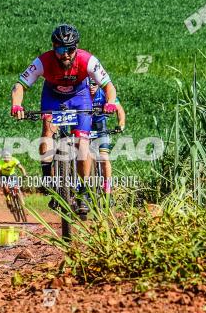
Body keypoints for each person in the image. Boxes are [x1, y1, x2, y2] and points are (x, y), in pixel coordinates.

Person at [10, 24, 118, 214]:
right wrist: (17, 105)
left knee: (82, 142)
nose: (65, 54)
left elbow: (108, 85)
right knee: (47, 129)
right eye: (60, 49)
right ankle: (47, 178)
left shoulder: (88, 60)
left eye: (70, 49)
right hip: (53, 96)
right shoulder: (43, 61)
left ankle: (83, 192)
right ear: (53, 48)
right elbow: (19, 85)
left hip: (80, 97)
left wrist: (109, 102)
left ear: (76, 47)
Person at [87, 80, 126, 194]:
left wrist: (121, 125)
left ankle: (107, 187)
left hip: (100, 126)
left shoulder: (104, 93)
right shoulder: (82, 93)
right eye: (89, 84)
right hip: (84, 126)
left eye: (94, 84)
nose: (92, 87)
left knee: (104, 158)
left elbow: (120, 110)